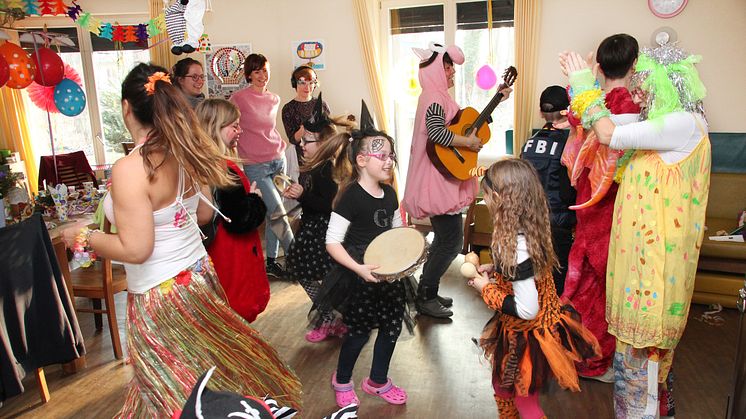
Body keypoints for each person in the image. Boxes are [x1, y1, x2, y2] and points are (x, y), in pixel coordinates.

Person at [61, 63, 302, 416]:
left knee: (173, 394)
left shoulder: (131, 167)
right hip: (199, 279)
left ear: (126, 108)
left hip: (161, 295)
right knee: (203, 378)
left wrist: (83, 236)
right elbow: (203, 216)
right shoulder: (186, 151)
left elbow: (136, 249)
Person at [561, 38, 710, 417]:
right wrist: (586, 89)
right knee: (635, 357)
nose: (638, 91)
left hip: (656, 262)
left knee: (646, 357)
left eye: (644, 83)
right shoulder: (661, 121)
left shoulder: (684, 125)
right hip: (640, 256)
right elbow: (603, 125)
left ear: (663, 82)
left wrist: (584, 82)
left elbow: (611, 133)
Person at [468, 157, 600, 419]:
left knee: (524, 400)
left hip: (526, 337)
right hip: (524, 331)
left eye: (485, 196)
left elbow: (527, 309)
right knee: (504, 387)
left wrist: (486, 288)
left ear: (498, 198)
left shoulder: (518, 246)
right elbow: (528, 275)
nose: (485, 201)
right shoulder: (526, 229)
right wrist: (496, 270)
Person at [314, 102, 415, 408]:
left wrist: (407, 255)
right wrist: (358, 269)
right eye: (382, 155)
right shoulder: (350, 197)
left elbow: (398, 234)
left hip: (388, 274)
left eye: (391, 155)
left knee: (391, 328)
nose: (389, 161)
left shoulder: (390, 193)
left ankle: (377, 381)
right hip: (360, 274)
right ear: (361, 160)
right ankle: (342, 379)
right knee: (358, 333)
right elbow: (332, 242)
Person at [402, 42, 512, 318]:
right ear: (435, 69)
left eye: (451, 67)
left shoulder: (439, 96)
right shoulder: (435, 98)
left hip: (442, 177)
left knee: (445, 240)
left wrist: (496, 100)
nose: (451, 72)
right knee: (450, 242)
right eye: (447, 66)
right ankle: (425, 296)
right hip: (436, 180)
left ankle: (427, 290)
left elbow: (464, 125)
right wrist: (468, 142)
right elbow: (437, 133)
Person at [560, 33, 641, 383]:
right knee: (608, 284)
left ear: (601, 66)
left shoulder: (587, 100)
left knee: (584, 280)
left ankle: (574, 354)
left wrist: (587, 81)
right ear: (634, 65)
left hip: (586, 195)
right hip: (614, 201)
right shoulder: (631, 105)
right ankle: (595, 361)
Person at [283, 94, 353, 342]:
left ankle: (330, 317)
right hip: (314, 229)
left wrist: (303, 196)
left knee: (315, 276)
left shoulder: (325, 168)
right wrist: (301, 194)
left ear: (322, 142)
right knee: (314, 276)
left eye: (308, 141)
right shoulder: (317, 165)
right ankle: (330, 316)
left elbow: (329, 206)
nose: (302, 144)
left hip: (321, 232)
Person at [195, 98, 269, 323]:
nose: (240, 131)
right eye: (234, 126)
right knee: (236, 311)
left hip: (217, 253)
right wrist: (255, 200)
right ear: (215, 128)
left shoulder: (202, 163)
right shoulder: (223, 169)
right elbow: (240, 219)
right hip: (232, 254)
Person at [230, 53, 294, 278]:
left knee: (273, 215)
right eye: (256, 71)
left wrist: (281, 146)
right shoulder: (239, 98)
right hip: (256, 165)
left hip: (278, 159)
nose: (262, 75)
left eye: (265, 70)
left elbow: (269, 129)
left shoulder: (274, 98)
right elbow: (227, 124)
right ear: (248, 74)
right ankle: (298, 260)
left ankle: (271, 263)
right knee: (279, 213)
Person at [520, 85, 576, 296]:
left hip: (531, 222)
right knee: (557, 280)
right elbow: (569, 189)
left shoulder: (529, 144)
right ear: (567, 110)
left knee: (534, 279)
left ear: (541, 112)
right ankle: (554, 323)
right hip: (558, 222)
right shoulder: (570, 144)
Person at [281, 65, 331, 166]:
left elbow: (329, 132)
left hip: (322, 154)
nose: (307, 87)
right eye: (302, 83)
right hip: (303, 156)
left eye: (311, 83)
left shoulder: (322, 104)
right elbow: (293, 139)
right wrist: (305, 127)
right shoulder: (288, 108)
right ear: (294, 84)